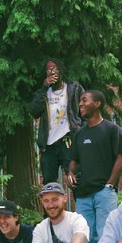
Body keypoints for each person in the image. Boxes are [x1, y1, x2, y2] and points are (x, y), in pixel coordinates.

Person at [67, 90, 122, 243]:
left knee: (105, 237)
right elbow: (74, 160)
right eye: (80, 101)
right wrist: (70, 173)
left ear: (97, 103)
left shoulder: (111, 129)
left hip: (104, 193)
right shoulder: (80, 133)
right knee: (84, 238)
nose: (80, 104)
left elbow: (120, 159)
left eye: (84, 100)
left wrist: (109, 185)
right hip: (83, 195)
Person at [27, 58, 83, 186]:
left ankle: (81, 205)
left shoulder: (73, 88)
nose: (52, 72)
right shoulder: (44, 92)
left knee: (76, 179)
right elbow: (34, 111)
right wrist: (43, 88)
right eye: (49, 70)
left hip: (68, 142)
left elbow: (84, 111)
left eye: (55, 69)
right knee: (49, 183)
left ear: (61, 70)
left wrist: (81, 131)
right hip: (49, 145)